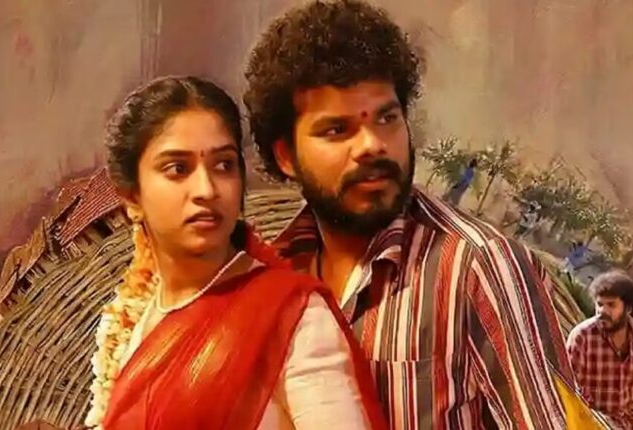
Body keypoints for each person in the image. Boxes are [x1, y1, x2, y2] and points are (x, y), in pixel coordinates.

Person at [244, 1, 607, 428]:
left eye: (387, 118)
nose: (372, 145)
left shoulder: (479, 266)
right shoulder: (270, 272)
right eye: (337, 129)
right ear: (286, 156)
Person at [84, 76, 387, 430]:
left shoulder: (289, 314)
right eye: (178, 169)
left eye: (224, 165)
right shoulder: (134, 325)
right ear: (132, 197)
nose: (206, 189)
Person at [567, 271, 633, 429]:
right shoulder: (582, 337)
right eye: (600, 304)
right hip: (591, 419)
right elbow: (567, 386)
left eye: (611, 305)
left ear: (628, 309)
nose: (602, 311)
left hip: (630, 420)